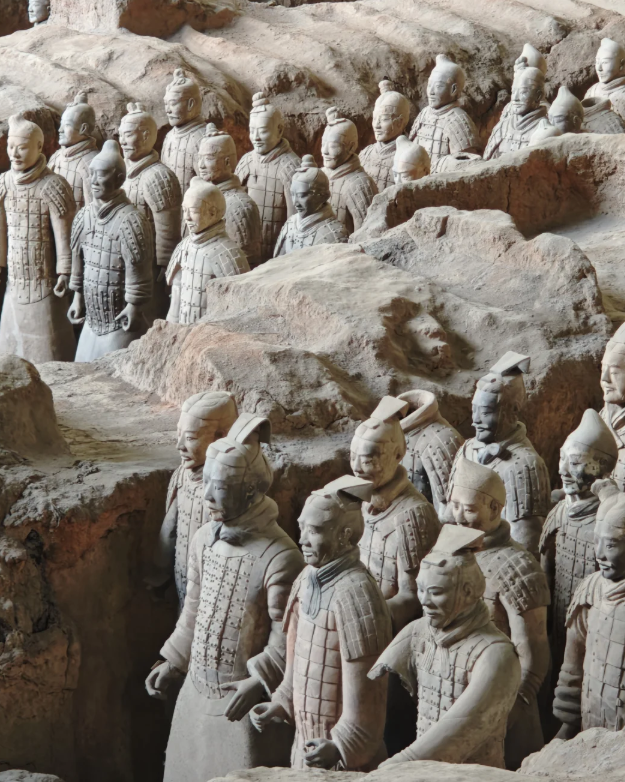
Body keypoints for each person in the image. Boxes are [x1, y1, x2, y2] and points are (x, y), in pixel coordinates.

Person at [146, 414, 305, 782]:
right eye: (207, 484)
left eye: (218, 487)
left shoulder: (280, 557)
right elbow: (193, 611)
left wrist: (260, 682)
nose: (206, 496)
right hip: (194, 694)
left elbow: (288, 637)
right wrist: (173, 660)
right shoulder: (205, 539)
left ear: (249, 490)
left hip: (242, 702)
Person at [250, 475, 391, 771]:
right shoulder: (305, 579)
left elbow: (368, 703)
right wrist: (281, 701)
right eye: (302, 527)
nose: (302, 539)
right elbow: (296, 661)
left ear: (345, 535)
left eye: (314, 530)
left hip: (343, 760)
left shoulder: (358, 594)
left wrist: (340, 746)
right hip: (305, 745)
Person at [369, 524, 520, 768]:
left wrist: (395, 768)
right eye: (421, 590)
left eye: (436, 592)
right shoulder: (419, 631)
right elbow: (373, 693)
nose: (425, 601)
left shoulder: (495, 654)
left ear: (468, 591)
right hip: (422, 773)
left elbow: (457, 732)